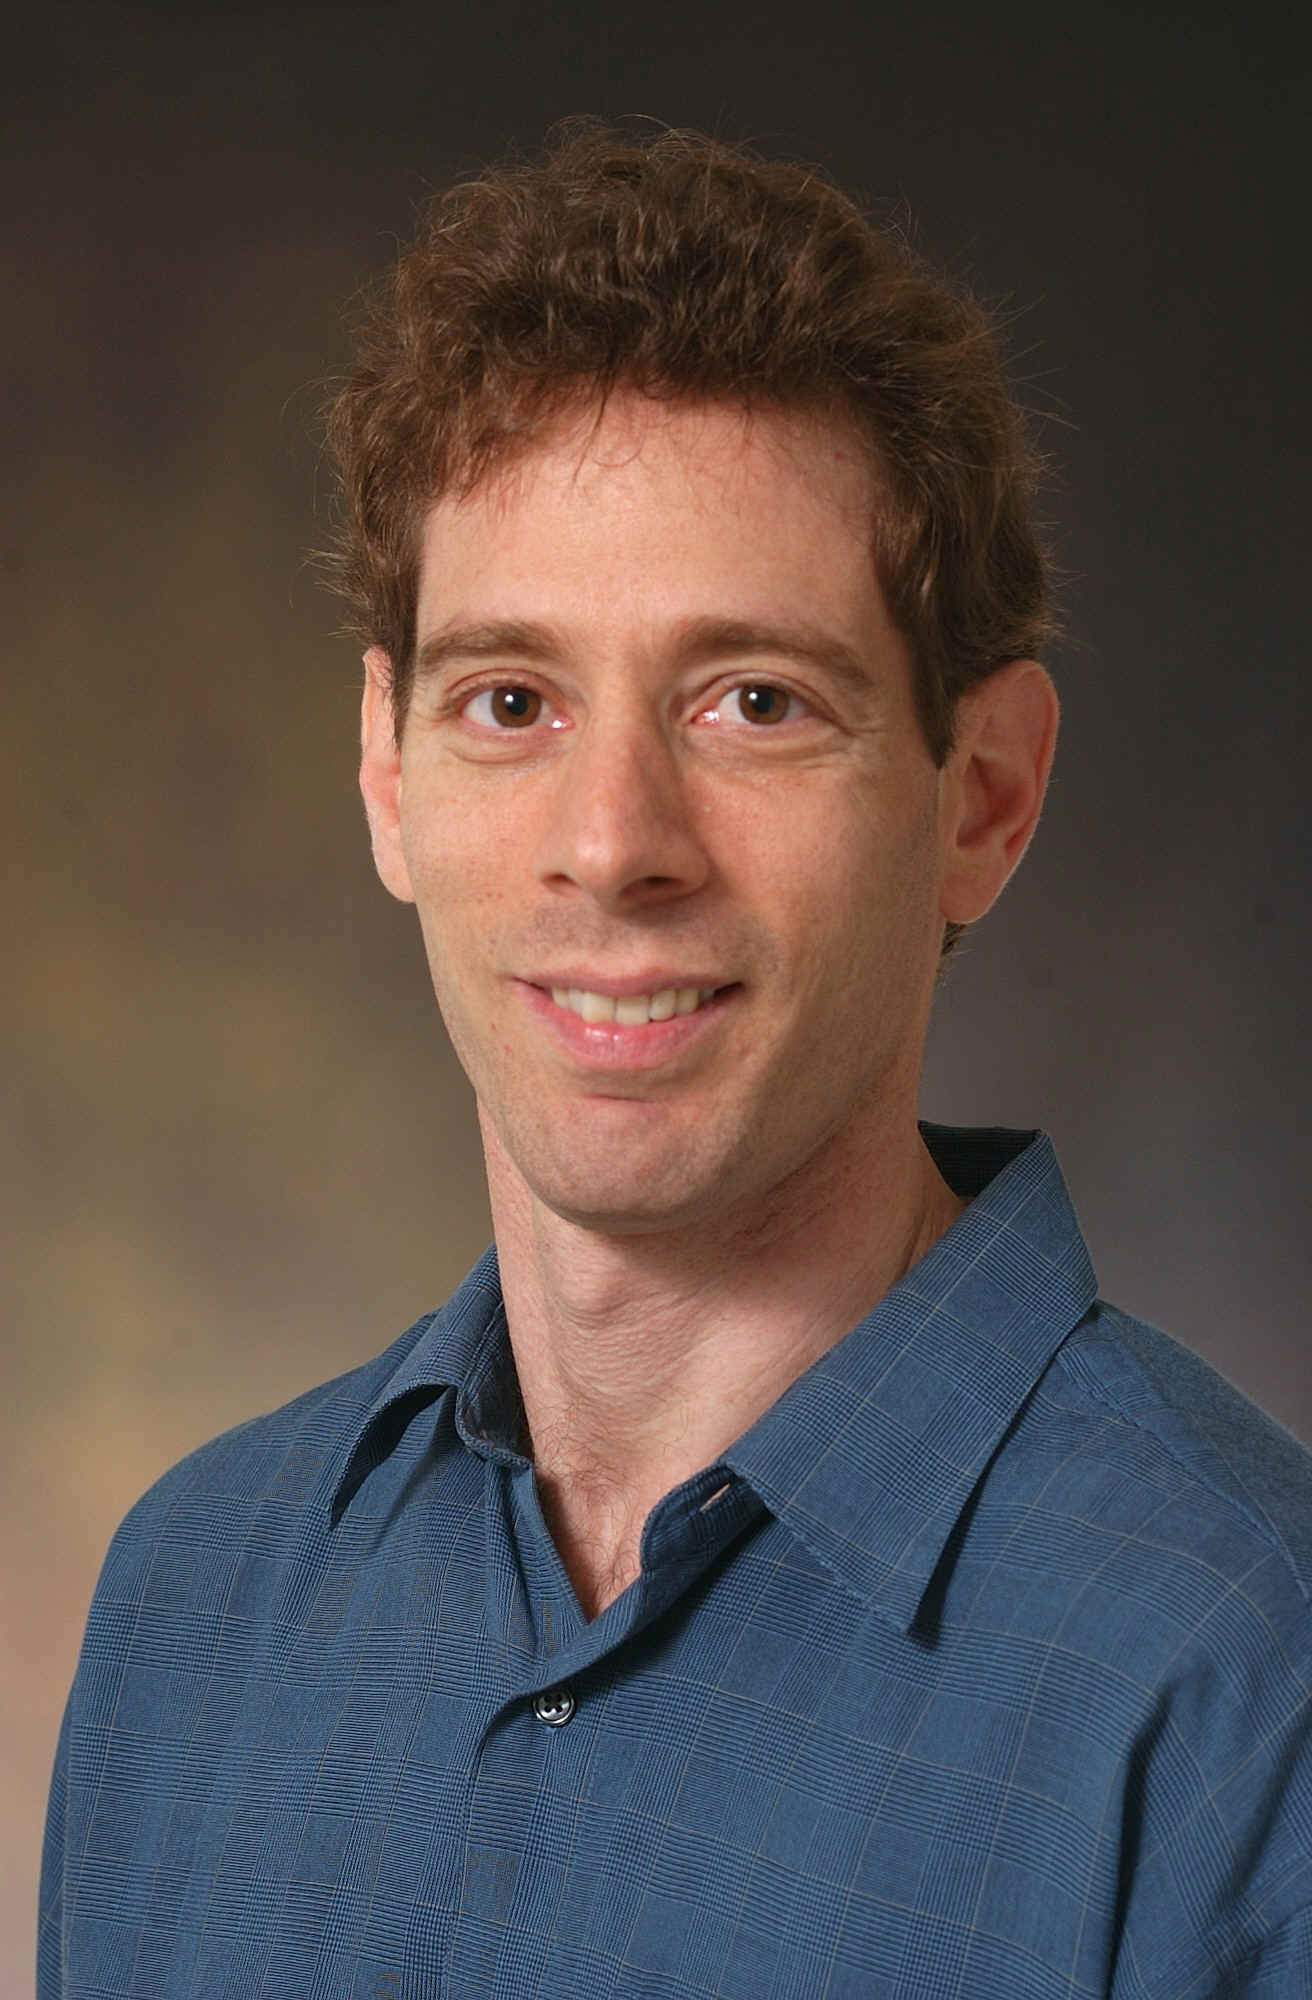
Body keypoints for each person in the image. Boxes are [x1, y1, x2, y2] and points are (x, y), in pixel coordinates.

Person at [39, 124, 1312, 1999]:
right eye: (511, 701)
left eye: (753, 702)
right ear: (389, 772)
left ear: (982, 795)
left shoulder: (1246, 1690)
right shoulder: (194, 1609)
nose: (613, 841)